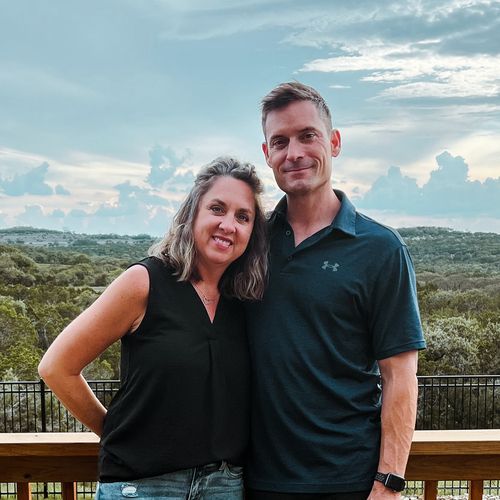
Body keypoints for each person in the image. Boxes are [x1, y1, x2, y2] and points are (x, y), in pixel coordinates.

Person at [38, 156, 268, 499]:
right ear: (192, 214)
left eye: (243, 216)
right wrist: (114, 432)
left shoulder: (244, 300)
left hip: (223, 484)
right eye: (217, 209)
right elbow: (57, 367)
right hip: (143, 486)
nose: (228, 225)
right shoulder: (144, 282)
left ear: (252, 231)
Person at [244, 82, 426, 500]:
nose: (294, 153)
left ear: (335, 142)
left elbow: (399, 375)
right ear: (267, 154)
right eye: (280, 142)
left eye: (308, 136)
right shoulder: (250, 242)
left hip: (350, 481)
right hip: (254, 480)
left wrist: (389, 483)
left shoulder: (381, 249)